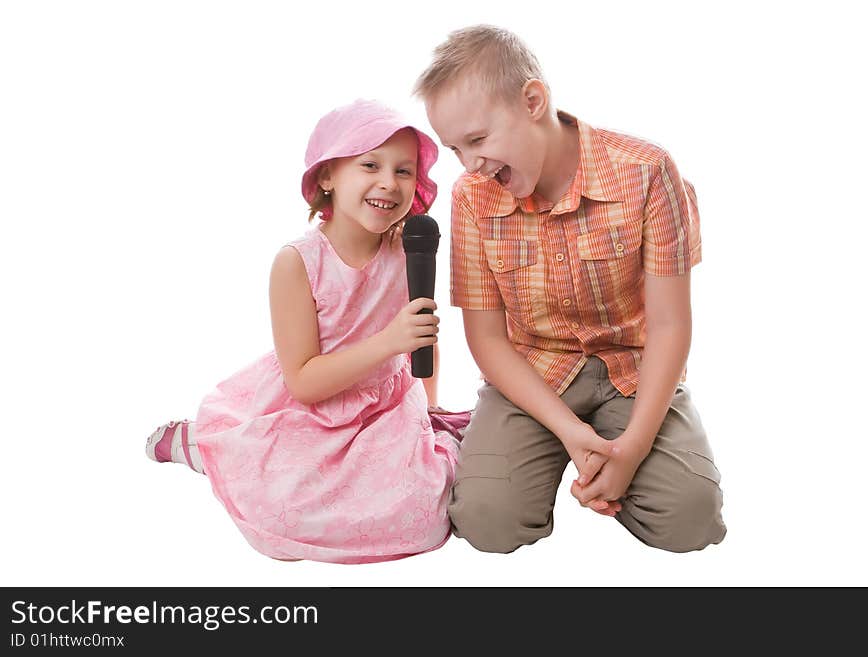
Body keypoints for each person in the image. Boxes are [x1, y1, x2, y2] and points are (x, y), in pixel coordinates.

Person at [412, 25, 727, 553]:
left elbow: (671, 324)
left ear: (532, 101)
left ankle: (616, 476)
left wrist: (631, 450)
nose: (470, 164)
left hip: (634, 372)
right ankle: (547, 454)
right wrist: (570, 432)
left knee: (690, 523)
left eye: (479, 140)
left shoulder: (648, 172)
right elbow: (487, 340)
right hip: (534, 373)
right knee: (488, 524)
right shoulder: (471, 198)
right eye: (455, 149)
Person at [145, 99, 469, 564]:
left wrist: (428, 407)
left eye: (404, 171)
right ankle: (206, 446)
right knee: (279, 506)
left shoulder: (408, 251)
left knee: (425, 513)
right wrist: (389, 342)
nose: (388, 182)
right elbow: (303, 379)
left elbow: (423, 336)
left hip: (385, 404)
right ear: (327, 178)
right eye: (370, 165)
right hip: (313, 405)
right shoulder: (298, 263)